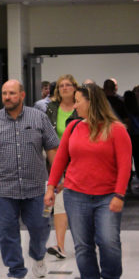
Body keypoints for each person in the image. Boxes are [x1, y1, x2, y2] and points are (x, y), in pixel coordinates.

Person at [45, 83, 132, 279]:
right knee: (83, 246)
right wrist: (51, 187)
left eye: (78, 101)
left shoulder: (117, 130)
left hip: (107, 197)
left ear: (91, 102)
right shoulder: (74, 127)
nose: (74, 106)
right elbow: (60, 159)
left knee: (108, 242)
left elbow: (125, 165)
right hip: (76, 196)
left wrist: (119, 194)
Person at [0, 80, 59, 279]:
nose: (7, 97)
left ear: (21, 95)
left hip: (36, 188)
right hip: (4, 189)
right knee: (7, 233)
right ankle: (16, 271)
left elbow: (51, 149)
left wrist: (55, 180)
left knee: (40, 228)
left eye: (12, 93)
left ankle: (38, 256)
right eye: (4, 93)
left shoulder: (39, 118)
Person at [45, 75, 79, 260]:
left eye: (68, 85)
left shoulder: (81, 109)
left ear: (75, 88)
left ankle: (88, 242)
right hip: (57, 160)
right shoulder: (51, 109)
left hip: (79, 160)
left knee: (81, 204)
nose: (65, 88)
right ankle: (60, 245)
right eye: (61, 86)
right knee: (59, 200)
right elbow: (46, 137)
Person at [124, 90, 139, 179]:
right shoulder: (136, 110)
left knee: (127, 159)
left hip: (129, 136)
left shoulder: (125, 111)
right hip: (137, 136)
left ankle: (128, 180)